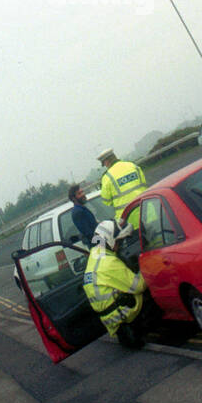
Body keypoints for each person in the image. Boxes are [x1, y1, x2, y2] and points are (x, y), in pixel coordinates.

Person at [82, 220, 148, 348]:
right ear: (109, 240)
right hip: (125, 317)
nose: (121, 244)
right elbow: (139, 286)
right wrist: (144, 266)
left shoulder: (95, 256)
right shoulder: (109, 263)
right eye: (118, 241)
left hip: (112, 321)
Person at [97, 147, 147, 225]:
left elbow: (106, 202)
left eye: (104, 164)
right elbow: (144, 184)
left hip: (128, 220)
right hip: (147, 212)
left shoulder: (107, 177)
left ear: (106, 161)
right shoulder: (132, 166)